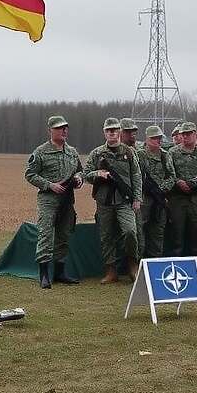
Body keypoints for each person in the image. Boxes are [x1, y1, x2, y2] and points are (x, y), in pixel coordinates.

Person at [25, 116, 83, 289]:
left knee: (64, 234)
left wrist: (79, 179)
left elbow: (80, 170)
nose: (63, 131)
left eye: (65, 128)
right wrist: (49, 185)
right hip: (48, 199)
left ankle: (60, 272)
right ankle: (43, 274)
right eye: (59, 128)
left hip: (67, 199)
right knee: (46, 234)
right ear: (50, 130)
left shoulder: (72, 151)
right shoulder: (41, 152)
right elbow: (30, 175)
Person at [83, 118, 141, 283]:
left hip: (125, 201)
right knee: (106, 236)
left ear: (120, 132)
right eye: (109, 130)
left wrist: (137, 198)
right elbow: (86, 174)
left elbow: (136, 176)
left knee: (130, 232)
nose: (112, 133)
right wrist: (97, 174)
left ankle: (132, 265)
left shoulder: (129, 152)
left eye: (115, 130)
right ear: (104, 133)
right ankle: (111, 271)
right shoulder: (97, 153)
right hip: (104, 201)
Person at [166, 122, 197, 257]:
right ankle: (176, 261)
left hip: (196, 197)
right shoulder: (173, 152)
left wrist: (193, 182)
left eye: (189, 133)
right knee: (177, 231)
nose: (186, 136)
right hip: (177, 197)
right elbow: (169, 172)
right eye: (183, 134)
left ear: (195, 135)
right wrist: (178, 181)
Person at [139, 125, 177, 258]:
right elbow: (136, 176)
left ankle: (156, 263)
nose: (158, 141)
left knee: (158, 231)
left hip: (160, 199)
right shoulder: (139, 155)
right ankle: (139, 264)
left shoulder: (165, 155)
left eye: (159, 138)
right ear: (147, 139)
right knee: (140, 230)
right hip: (144, 198)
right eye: (154, 138)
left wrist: (160, 190)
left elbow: (172, 176)